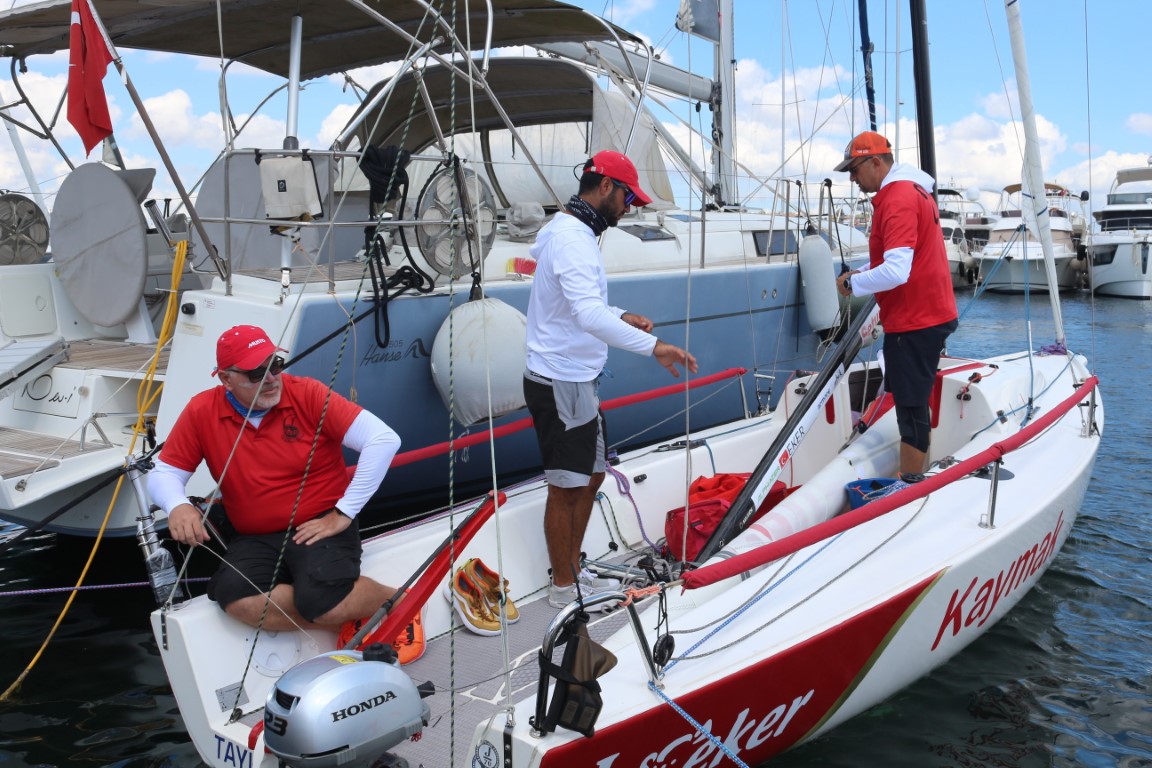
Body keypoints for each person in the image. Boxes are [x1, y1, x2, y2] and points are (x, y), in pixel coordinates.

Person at [523, 150, 698, 611]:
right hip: (561, 381)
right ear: (605, 187)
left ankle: (572, 571)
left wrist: (620, 315)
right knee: (566, 487)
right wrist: (654, 346)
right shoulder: (573, 240)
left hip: (576, 381)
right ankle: (565, 589)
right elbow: (585, 314)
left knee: (593, 474)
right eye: (627, 197)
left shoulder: (572, 232)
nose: (630, 207)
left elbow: (579, 305)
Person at [149, 325, 403, 632]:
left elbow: (383, 440)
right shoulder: (202, 410)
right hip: (256, 535)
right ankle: (340, 622)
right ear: (226, 379)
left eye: (275, 365)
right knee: (235, 598)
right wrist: (177, 505)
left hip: (320, 524)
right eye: (256, 373)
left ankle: (398, 601)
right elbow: (165, 471)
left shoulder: (306, 393)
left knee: (325, 601)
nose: (270, 378)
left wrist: (344, 513)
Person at [833, 131, 959, 481]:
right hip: (926, 315)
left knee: (911, 410)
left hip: (915, 321)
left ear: (876, 162)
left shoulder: (898, 198)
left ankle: (910, 487)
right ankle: (914, 476)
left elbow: (896, 271)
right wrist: (861, 273)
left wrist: (852, 284)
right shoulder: (912, 190)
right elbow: (903, 260)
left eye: (854, 169)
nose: (852, 178)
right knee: (912, 402)